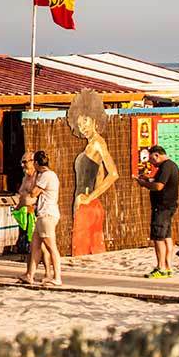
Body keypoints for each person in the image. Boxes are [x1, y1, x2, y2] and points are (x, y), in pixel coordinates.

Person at [68, 89, 119, 256]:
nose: (82, 127)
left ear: (95, 119)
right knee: (91, 253)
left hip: (87, 206)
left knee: (82, 252)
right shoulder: (90, 145)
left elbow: (113, 174)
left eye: (85, 121)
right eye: (79, 123)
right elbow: (100, 175)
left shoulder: (98, 143)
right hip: (89, 205)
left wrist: (90, 197)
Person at [18, 151, 62, 286]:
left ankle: (57, 277)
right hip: (41, 215)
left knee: (51, 247)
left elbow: (33, 192)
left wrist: (32, 190)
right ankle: (30, 275)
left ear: (36, 163)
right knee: (35, 246)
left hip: (47, 215)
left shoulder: (47, 175)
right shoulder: (46, 175)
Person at [136, 145, 179, 279]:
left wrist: (144, 184)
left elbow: (159, 186)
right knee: (167, 236)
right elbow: (160, 182)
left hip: (162, 207)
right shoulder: (171, 166)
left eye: (151, 159)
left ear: (157, 155)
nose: (151, 162)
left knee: (158, 238)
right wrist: (148, 179)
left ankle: (160, 267)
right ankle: (168, 267)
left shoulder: (166, 166)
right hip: (169, 205)